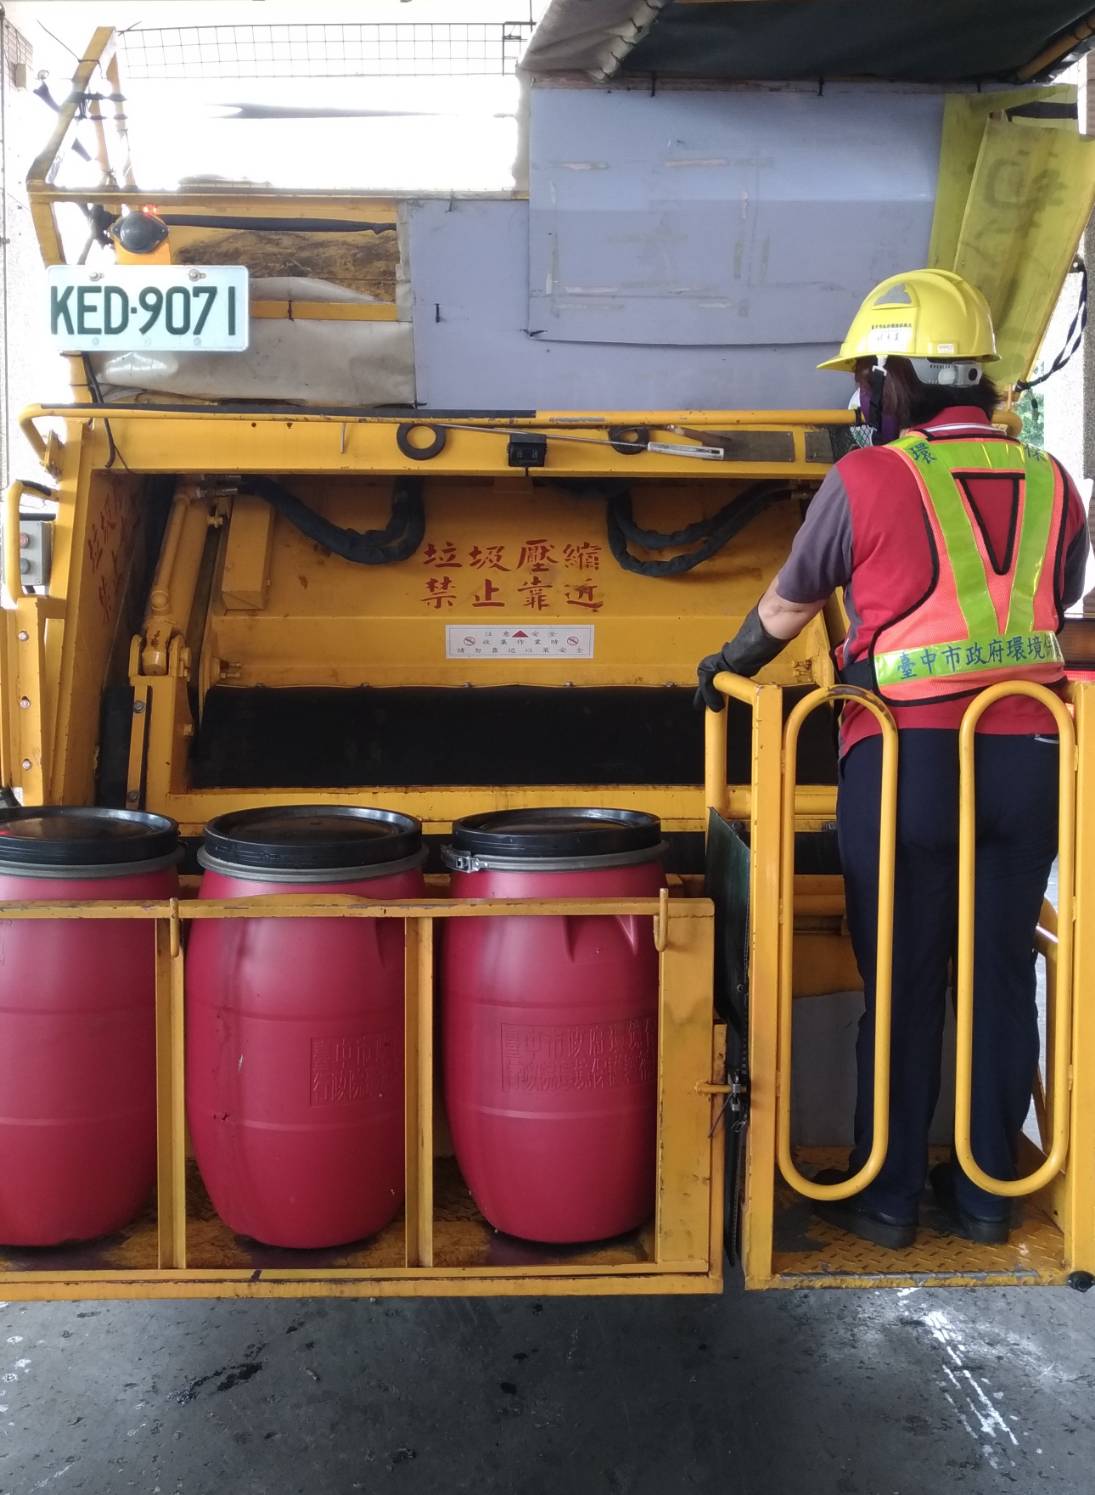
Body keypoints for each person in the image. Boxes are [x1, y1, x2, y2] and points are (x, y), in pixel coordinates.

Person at [695, 269, 1091, 1249]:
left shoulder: (867, 478)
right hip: (1032, 758)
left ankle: (886, 1194)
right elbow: (1057, 597)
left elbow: (789, 605)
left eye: (862, 381)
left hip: (909, 763)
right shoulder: (1054, 481)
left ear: (891, 380)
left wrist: (724, 667)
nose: (857, 399)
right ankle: (989, 1191)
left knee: (905, 977)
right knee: (999, 972)